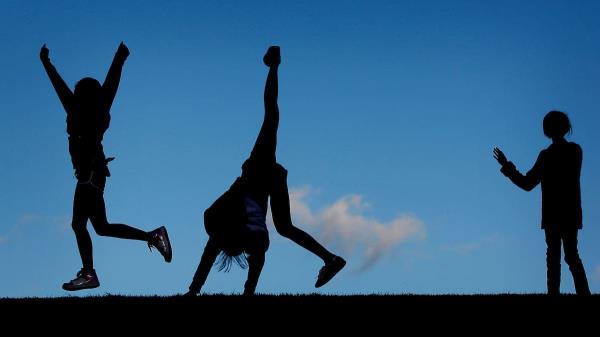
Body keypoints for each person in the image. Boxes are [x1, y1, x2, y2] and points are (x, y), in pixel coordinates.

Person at [186, 46, 345, 296]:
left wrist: (194, 292)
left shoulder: (220, 229)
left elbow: (212, 256)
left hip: (261, 174)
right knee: (285, 227)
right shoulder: (244, 236)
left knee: (271, 117)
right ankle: (331, 259)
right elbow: (252, 257)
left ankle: (274, 65)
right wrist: (247, 292)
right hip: (264, 176)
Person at [40, 42, 172, 291]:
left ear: (82, 94)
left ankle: (90, 274)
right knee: (101, 227)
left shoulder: (83, 109)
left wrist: (47, 63)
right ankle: (152, 236)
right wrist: (119, 57)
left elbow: (96, 85)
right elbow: (107, 84)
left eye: (78, 89)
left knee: (80, 225)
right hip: (94, 174)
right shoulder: (94, 108)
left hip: (90, 173)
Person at [493, 110, 590, 295]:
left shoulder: (551, 155)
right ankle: (579, 294)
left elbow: (527, 183)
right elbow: (528, 183)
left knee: (558, 257)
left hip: (556, 213)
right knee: (567, 256)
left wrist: (507, 167)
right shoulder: (572, 151)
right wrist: (507, 167)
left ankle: (559, 294)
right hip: (567, 213)